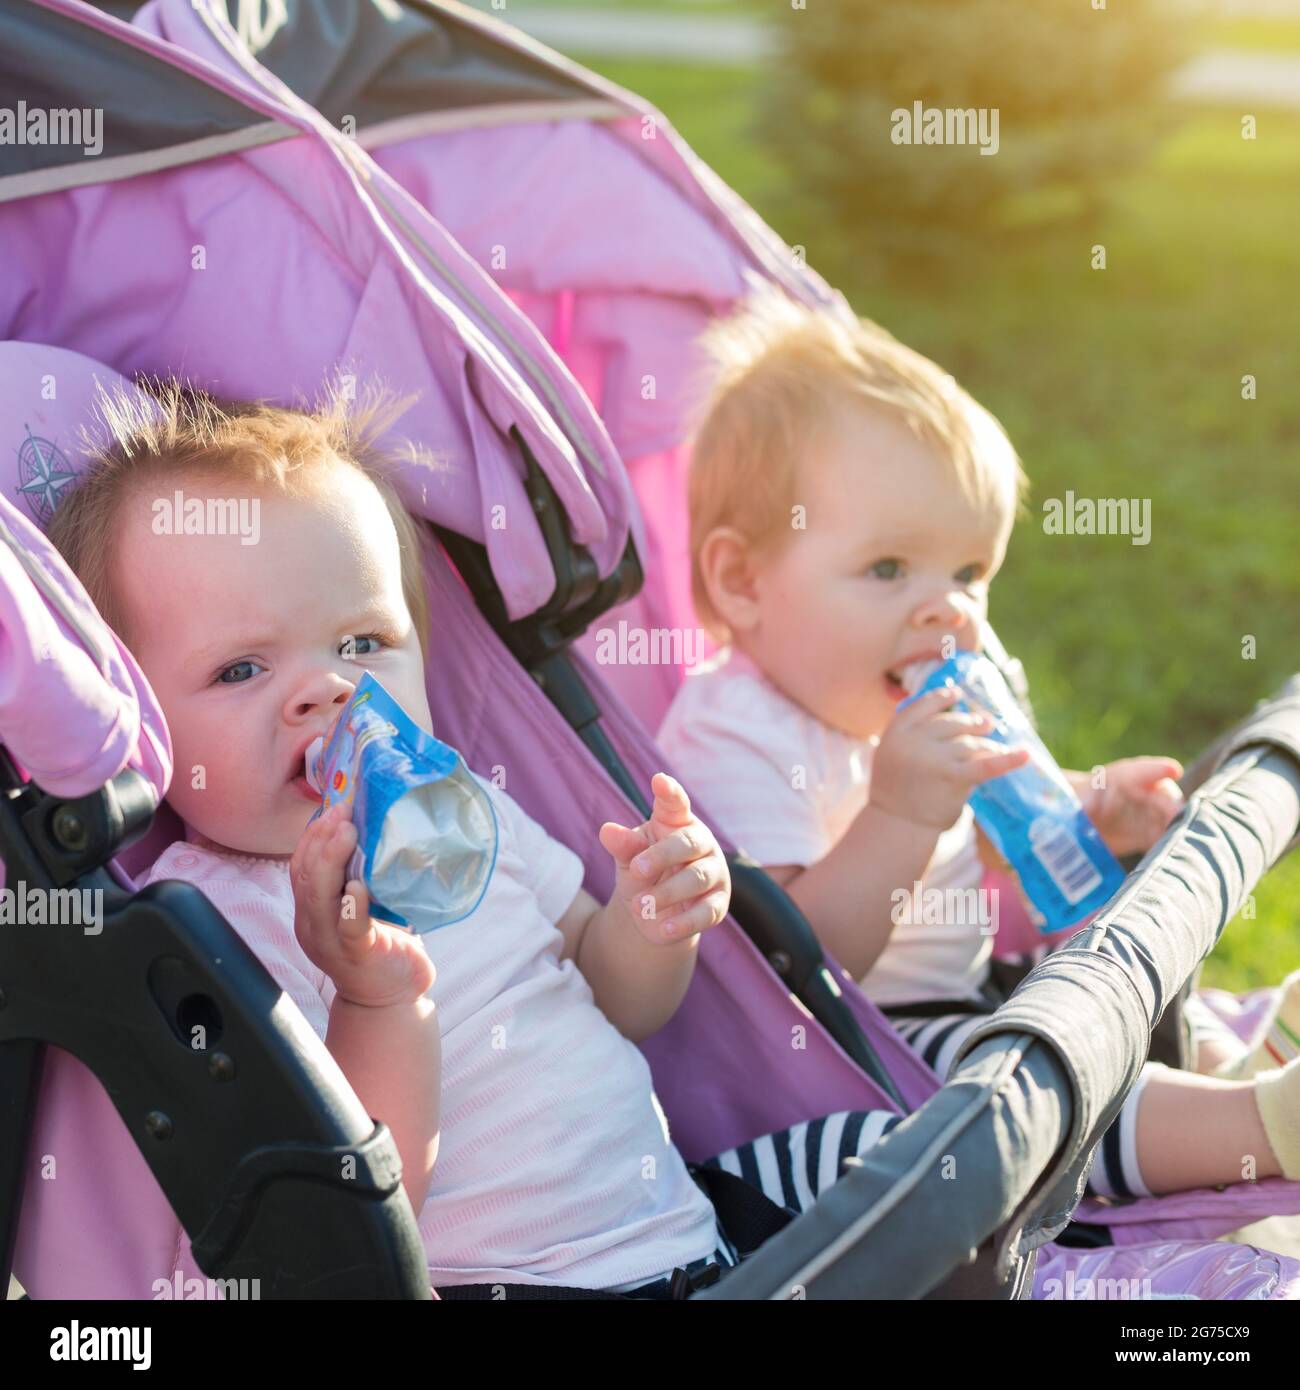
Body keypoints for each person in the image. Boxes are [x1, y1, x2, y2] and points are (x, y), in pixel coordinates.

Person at [44, 381, 920, 1297]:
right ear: (138, 724)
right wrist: (374, 999)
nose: (329, 691)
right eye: (241, 668)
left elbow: (614, 994)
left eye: (362, 642)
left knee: (896, 1160)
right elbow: (342, 1217)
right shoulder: (205, 927)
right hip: (498, 1284)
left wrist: (653, 922)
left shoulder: (471, 815)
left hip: (683, 1228)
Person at [657, 290, 1300, 1199]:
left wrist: (1090, 806)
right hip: (863, 1042)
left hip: (965, 991)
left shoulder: (917, 701)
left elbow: (996, 829)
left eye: (969, 573)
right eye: (888, 568)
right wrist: (898, 811)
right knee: (1037, 1092)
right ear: (742, 579)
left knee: (1102, 984)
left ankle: (1235, 1058)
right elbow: (795, 963)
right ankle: (1261, 1127)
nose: (947, 607)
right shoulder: (734, 731)